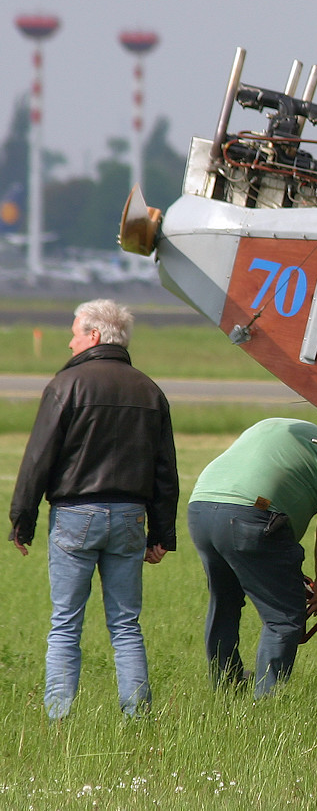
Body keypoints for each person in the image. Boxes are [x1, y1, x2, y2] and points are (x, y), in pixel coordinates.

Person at [9, 299, 178, 720]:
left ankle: (58, 718)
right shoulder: (150, 389)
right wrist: (161, 535)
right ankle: (138, 718)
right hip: (129, 517)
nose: (69, 342)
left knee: (66, 624)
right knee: (125, 626)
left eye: (74, 332)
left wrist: (22, 521)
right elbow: (165, 472)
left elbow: (38, 459)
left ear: (95, 336)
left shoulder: (65, 386)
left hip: (74, 516)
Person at [186, 418, 317, 698]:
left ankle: (225, 686)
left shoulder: (275, 428)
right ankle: (265, 700)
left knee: (224, 603)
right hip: (252, 517)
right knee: (285, 617)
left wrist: (279, 565)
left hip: (201, 509)